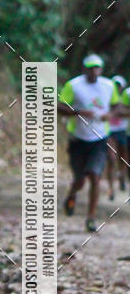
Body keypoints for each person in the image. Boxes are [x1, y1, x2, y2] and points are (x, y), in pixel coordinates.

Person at [58, 54, 119, 232]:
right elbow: (59, 106)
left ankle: (91, 217)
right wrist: (77, 111)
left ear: (101, 69)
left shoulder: (109, 86)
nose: (94, 71)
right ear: (84, 69)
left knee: (95, 176)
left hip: (100, 139)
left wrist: (111, 115)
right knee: (80, 180)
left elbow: (116, 106)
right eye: (90, 67)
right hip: (78, 138)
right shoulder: (74, 85)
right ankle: (71, 194)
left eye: (97, 67)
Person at [106, 75, 128, 200]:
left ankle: (121, 175)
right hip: (109, 132)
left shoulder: (124, 99)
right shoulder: (106, 97)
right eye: (115, 85)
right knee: (111, 159)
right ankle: (110, 188)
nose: (117, 87)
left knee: (124, 158)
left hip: (122, 132)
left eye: (119, 85)